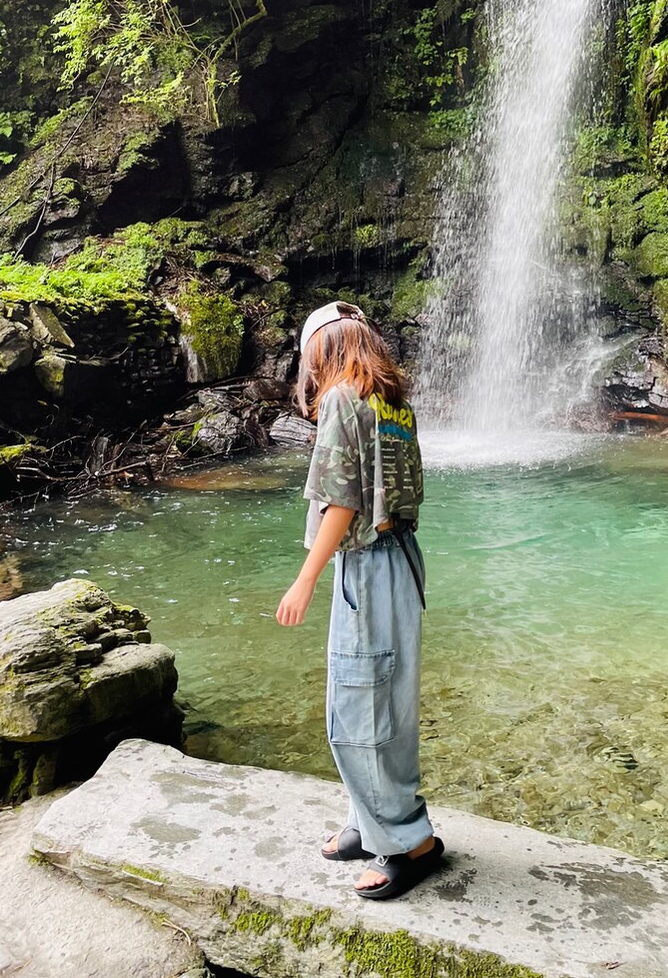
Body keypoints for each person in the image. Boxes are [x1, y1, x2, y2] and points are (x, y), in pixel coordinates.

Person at [275, 299, 444, 900]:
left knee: (362, 708)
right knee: (374, 700)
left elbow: (341, 502)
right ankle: (367, 820)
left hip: (367, 567)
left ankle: (410, 844)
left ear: (322, 348)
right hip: (399, 563)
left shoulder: (345, 399)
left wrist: (305, 578)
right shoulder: (392, 402)